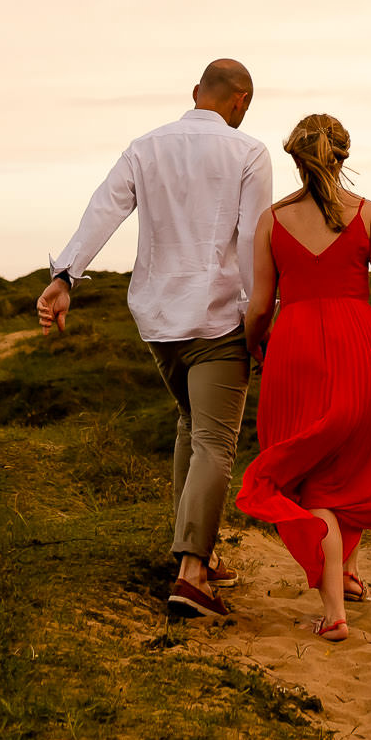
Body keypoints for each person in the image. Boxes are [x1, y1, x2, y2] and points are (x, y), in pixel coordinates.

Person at [37, 58, 273, 620]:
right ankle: (192, 575)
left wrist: (64, 276)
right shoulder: (250, 153)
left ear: (196, 93)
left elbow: (103, 210)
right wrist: (261, 318)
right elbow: (250, 242)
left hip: (158, 320)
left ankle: (200, 551)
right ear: (241, 101)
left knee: (191, 427)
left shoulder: (144, 147)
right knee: (216, 441)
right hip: (218, 320)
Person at [236, 113, 371, 641]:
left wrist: (252, 347)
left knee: (312, 480)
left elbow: (261, 306)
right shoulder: (369, 214)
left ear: (295, 157)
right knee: (349, 467)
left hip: (295, 354)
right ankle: (349, 575)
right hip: (363, 350)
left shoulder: (271, 220)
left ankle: (334, 611)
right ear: (343, 156)